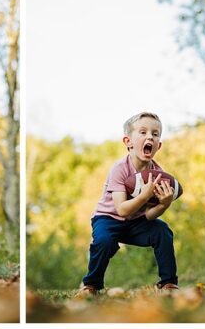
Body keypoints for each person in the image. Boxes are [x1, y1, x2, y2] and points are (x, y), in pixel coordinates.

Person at [79, 112, 179, 294]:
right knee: (104, 241)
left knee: (162, 231)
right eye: (143, 132)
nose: (150, 136)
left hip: (137, 222)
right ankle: (91, 284)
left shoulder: (157, 174)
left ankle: (168, 282)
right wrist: (143, 195)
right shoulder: (119, 169)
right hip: (108, 219)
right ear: (128, 142)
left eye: (155, 134)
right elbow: (122, 210)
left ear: (159, 145)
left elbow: (149, 215)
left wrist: (163, 205)